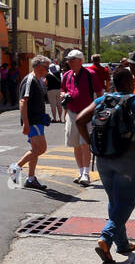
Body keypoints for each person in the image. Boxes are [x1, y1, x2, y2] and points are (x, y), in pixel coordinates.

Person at [78, 66, 135, 264]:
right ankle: (106, 238)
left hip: (104, 158)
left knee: (115, 201)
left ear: (114, 84)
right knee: (126, 203)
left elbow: (80, 120)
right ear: (132, 83)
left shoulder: (102, 100)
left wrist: (91, 144)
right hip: (129, 159)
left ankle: (122, 244)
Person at [12, 56, 53, 189]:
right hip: (32, 120)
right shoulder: (30, 80)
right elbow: (23, 101)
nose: (48, 71)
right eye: (47, 68)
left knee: (35, 149)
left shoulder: (37, 80)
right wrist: (26, 123)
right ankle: (16, 167)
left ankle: (31, 178)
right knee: (41, 148)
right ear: (39, 66)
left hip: (37, 119)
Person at [61, 49, 97, 186]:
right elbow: (62, 89)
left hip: (86, 114)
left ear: (80, 61)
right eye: (68, 60)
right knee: (75, 143)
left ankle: (86, 174)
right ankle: (81, 171)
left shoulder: (90, 74)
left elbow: (99, 93)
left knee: (84, 144)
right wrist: (63, 95)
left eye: (72, 60)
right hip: (71, 113)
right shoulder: (67, 75)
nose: (69, 62)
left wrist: (97, 110)